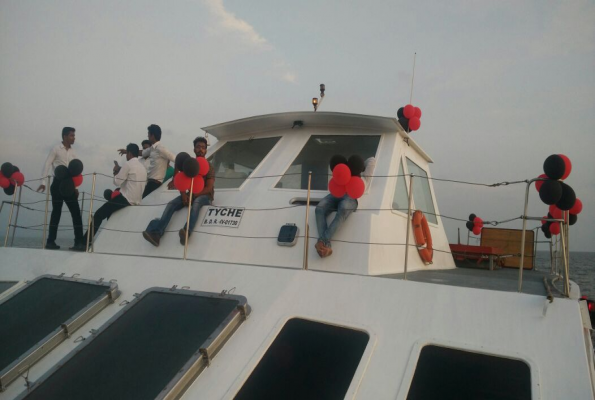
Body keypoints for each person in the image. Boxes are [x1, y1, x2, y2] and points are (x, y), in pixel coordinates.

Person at [142, 137, 214, 247]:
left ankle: (186, 232)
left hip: (205, 196)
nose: (201, 150)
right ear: (194, 149)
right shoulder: (189, 164)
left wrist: (194, 195)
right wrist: (183, 194)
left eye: (203, 148)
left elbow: (209, 187)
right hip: (190, 194)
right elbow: (181, 179)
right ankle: (156, 233)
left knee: (196, 203)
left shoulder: (209, 166)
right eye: (198, 147)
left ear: (206, 151)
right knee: (171, 204)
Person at [81, 144, 147, 246]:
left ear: (129, 153)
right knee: (108, 212)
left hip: (126, 199)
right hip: (137, 200)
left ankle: (84, 242)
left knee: (99, 214)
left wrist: (116, 171)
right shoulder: (142, 167)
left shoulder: (128, 164)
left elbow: (117, 182)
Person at [315, 157, 376, 258]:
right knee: (319, 209)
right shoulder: (343, 175)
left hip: (352, 198)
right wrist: (347, 165)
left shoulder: (365, 179)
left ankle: (322, 242)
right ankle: (326, 245)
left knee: (343, 209)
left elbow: (372, 160)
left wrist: (360, 166)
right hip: (338, 192)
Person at [37, 127, 84, 251]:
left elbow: (75, 171)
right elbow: (47, 164)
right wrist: (43, 182)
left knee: (76, 213)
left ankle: (78, 242)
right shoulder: (56, 149)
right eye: (71, 135)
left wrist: (75, 187)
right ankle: (50, 241)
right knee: (56, 212)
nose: (74, 138)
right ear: (64, 136)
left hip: (69, 184)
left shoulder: (74, 152)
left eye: (74, 135)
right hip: (57, 183)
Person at [141, 124, 175, 198]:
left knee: (142, 201)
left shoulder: (161, 148)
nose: (148, 136)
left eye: (148, 134)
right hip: (150, 182)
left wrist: (174, 178)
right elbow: (143, 153)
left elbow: (176, 159)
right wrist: (129, 150)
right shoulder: (152, 148)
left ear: (152, 135)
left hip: (155, 183)